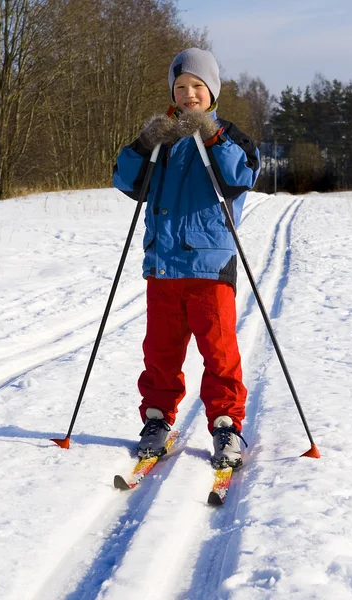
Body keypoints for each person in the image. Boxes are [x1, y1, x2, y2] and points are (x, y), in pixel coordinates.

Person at [113, 48, 260, 468]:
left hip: (210, 266)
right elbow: (125, 180)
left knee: (219, 351)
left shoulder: (229, 137)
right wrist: (144, 143)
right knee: (160, 352)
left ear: (211, 91)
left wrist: (212, 135)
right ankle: (157, 421)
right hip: (162, 265)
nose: (189, 94)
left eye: (197, 86)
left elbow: (241, 177)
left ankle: (227, 424)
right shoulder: (164, 138)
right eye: (181, 87)